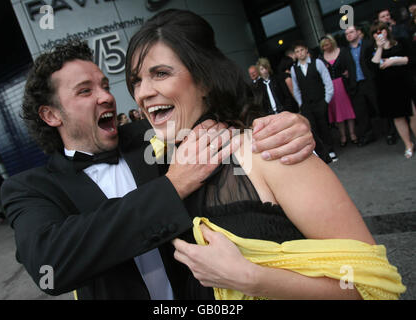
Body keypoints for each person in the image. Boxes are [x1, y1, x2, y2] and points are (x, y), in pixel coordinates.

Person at [0, 41, 315, 300]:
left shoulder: (152, 136)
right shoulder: (30, 188)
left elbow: (220, 122)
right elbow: (51, 265)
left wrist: (286, 124)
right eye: (85, 91)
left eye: (105, 85)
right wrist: (172, 187)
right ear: (51, 114)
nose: (106, 96)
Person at [125, 9, 404, 300]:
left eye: (160, 73)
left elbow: (369, 286)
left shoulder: (269, 149)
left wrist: (252, 279)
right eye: (136, 81)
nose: (143, 92)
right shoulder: (159, 163)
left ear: (204, 79)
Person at [371, 22, 416, 158]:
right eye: (376, 32)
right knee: (398, 118)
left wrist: (395, 61)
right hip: (388, 89)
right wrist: (379, 48)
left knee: (413, 114)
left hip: (405, 84)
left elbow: (412, 59)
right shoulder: (371, 49)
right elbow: (373, 68)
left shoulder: (400, 42)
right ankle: (408, 144)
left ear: (387, 31)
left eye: (382, 30)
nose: (380, 34)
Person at [290, 41, 337, 162]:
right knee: (312, 129)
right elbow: (296, 88)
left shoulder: (318, 63)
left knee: (324, 127)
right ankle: (321, 154)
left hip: (320, 101)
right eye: (297, 51)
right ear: (295, 54)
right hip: (306, 104)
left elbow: (327, 82)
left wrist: (326, 101)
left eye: (301, 50)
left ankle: (330, 150)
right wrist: (300, 103)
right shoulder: (294, 69)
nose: (300, 53)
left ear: (306, 50)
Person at [341, 25, 380, 146]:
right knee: (361, 113)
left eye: (351, 32)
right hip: (356, 85)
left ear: (358, 32)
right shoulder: (345, 51)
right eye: (347, 33)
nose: (349, 35)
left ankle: (391, 131)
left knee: (379, 106)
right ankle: (368, 135)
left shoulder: (368, 45)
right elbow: (342, 67)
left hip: (370, 82)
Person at [320, 35, 358, 147]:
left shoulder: (342, 51)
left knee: (348, 110)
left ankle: (352, 134)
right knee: (338, 114)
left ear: (332, 43)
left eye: (327, 44)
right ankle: (343, 136)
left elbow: (350, 66)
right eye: (323, 46)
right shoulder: (320, 58)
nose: (326, 47)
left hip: (343, 85)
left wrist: (349, 76)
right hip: (331, 87)